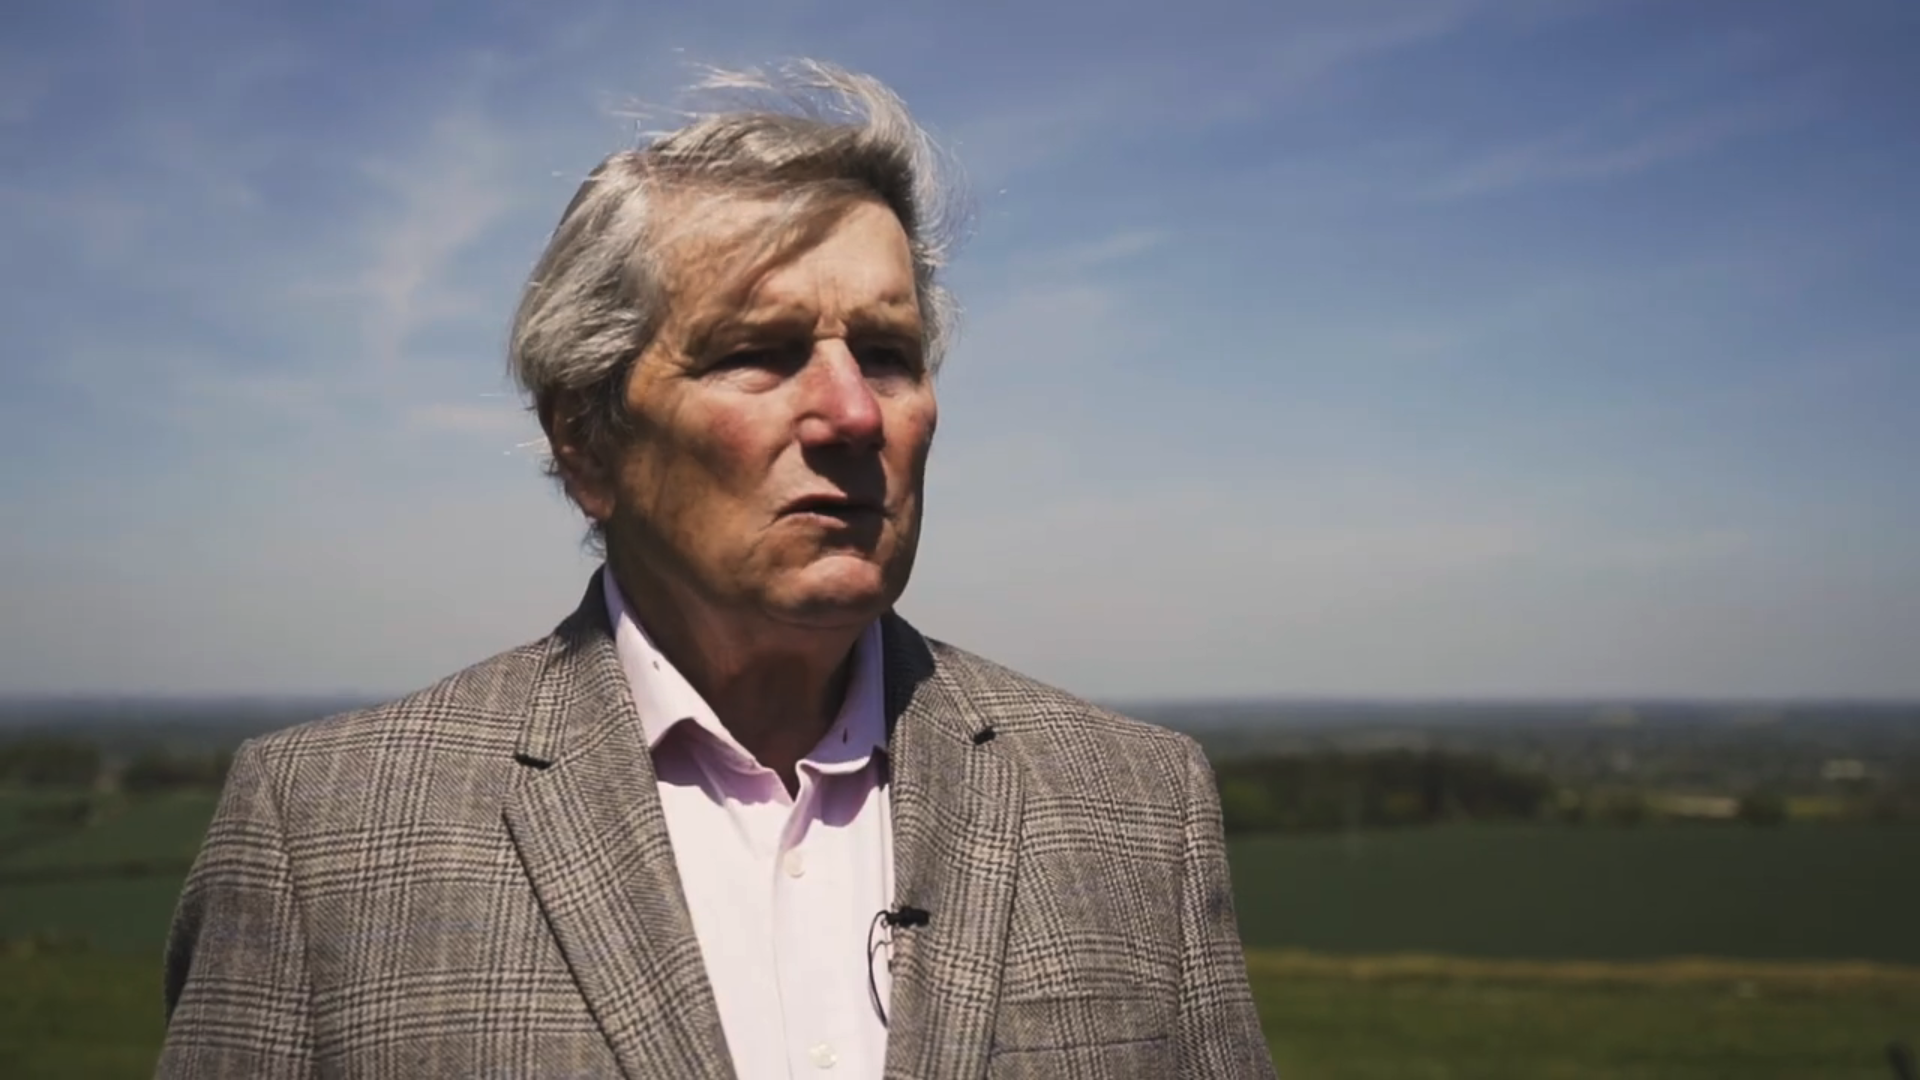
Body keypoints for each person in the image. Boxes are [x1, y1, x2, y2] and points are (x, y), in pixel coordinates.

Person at [157, 61, 1274, 1080]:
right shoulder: (326, 830)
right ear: (586, 441)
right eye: (759, 352)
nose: (849, 411)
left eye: (887, 354)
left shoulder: (1136, 804)